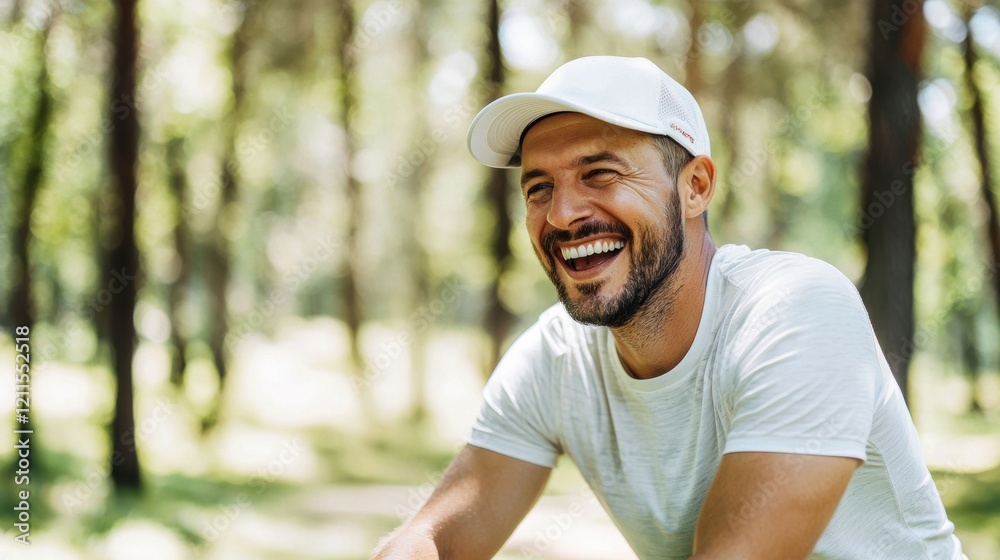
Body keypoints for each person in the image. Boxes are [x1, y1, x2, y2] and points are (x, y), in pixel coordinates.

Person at [371, 56, 965, 559]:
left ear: (696, 187)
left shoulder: (797, 310)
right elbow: (433, 538)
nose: (561, 215)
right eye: (539, 187)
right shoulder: (556, 359)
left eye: (599, 173)